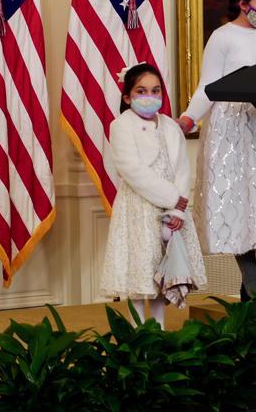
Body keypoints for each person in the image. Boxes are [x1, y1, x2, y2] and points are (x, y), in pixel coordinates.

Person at [176, 0, 256, 298]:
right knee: (238, 206)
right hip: (232, 131)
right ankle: (253, 287)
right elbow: (208, 87)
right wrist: (187, 119)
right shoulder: (223, 37)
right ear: (243, 3)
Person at [100, 63, 206, 329]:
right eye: (142, 90)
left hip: (172, 212)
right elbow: (131, 170)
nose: (150, 96)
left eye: (156, 90)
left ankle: (158, 330)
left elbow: (182, 168)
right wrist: (173, 199)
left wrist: (178, 210)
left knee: (163, 272)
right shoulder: (121, 126)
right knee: (140, 274)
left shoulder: (170, 126)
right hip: (140, 207)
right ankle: (137, 335)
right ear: (127, 97)